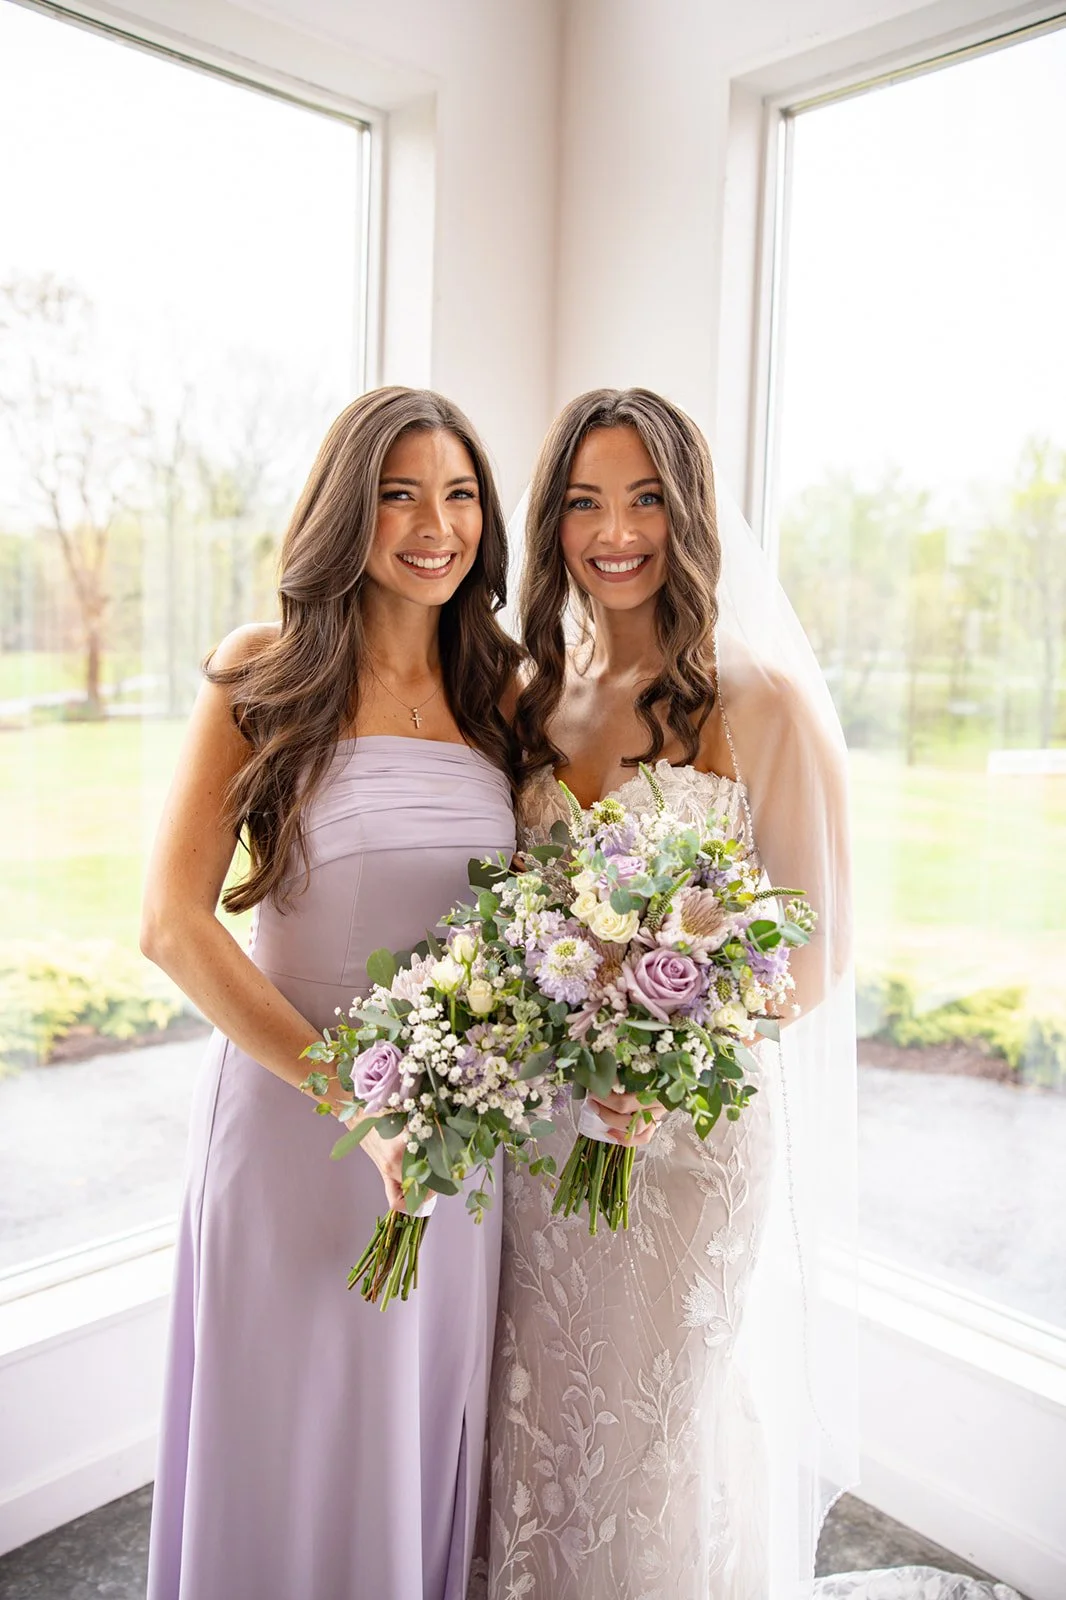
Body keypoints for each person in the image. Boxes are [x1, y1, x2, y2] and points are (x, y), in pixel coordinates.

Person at [476, 387, 858, 1598]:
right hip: (543, 1140)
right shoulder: (525, 700)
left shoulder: (762, 705)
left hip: (688, 1140)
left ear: (687, 513)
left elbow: (813, 947)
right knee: (533, 1418)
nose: (615, 529)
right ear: (553, 525)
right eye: (584, 500)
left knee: (649, 1437)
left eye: (644, 497)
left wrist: (656, 1040)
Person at [143, 387, 520, 1600]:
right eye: (399, 492)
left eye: (458, 493)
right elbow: (171, 925)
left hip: (455, 1140)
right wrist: (355, 1100)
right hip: (300, 1127)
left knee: (411, 1432)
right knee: (289, 1440)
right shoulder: (265, 670)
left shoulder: (501, 692)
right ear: (346, 508)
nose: (433, 522)